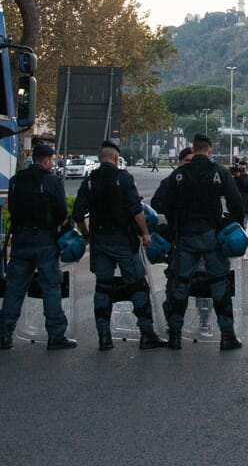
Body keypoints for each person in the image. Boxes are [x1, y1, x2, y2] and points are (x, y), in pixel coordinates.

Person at [150, 134, 246, 350]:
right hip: (212, 235)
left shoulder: (179, 175)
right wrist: (233, 226)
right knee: (219, 284)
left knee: (180, 284)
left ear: (194, 149)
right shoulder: (219, 173)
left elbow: (164, 205)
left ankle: (175, 335)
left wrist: (175, 228)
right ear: (209, 150)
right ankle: (227, 335)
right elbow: (237, 204)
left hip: (185, 237)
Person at [69, 140, 164, 352]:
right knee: (138, 285)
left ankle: (104, 337)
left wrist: (87, 236)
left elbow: (77, 214)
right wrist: (145, 234)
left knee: (103, 287)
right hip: (123, 240)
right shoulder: (124, 178)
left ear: (100, 157)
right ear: (115, 158)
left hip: (100, 241)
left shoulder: (90, 181)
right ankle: (147, 334)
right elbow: (136, 210)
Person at [0, 143, 78, 351]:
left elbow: (12, 207)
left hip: (21, 240)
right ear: (45, 160)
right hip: (44, 241)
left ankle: (5, 333)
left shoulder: (16, 181)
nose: (52, 163)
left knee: (15, 288)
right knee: (51, 287)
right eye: (51, 160)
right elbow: (60, 211)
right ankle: (56, 335)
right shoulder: (50, 181)